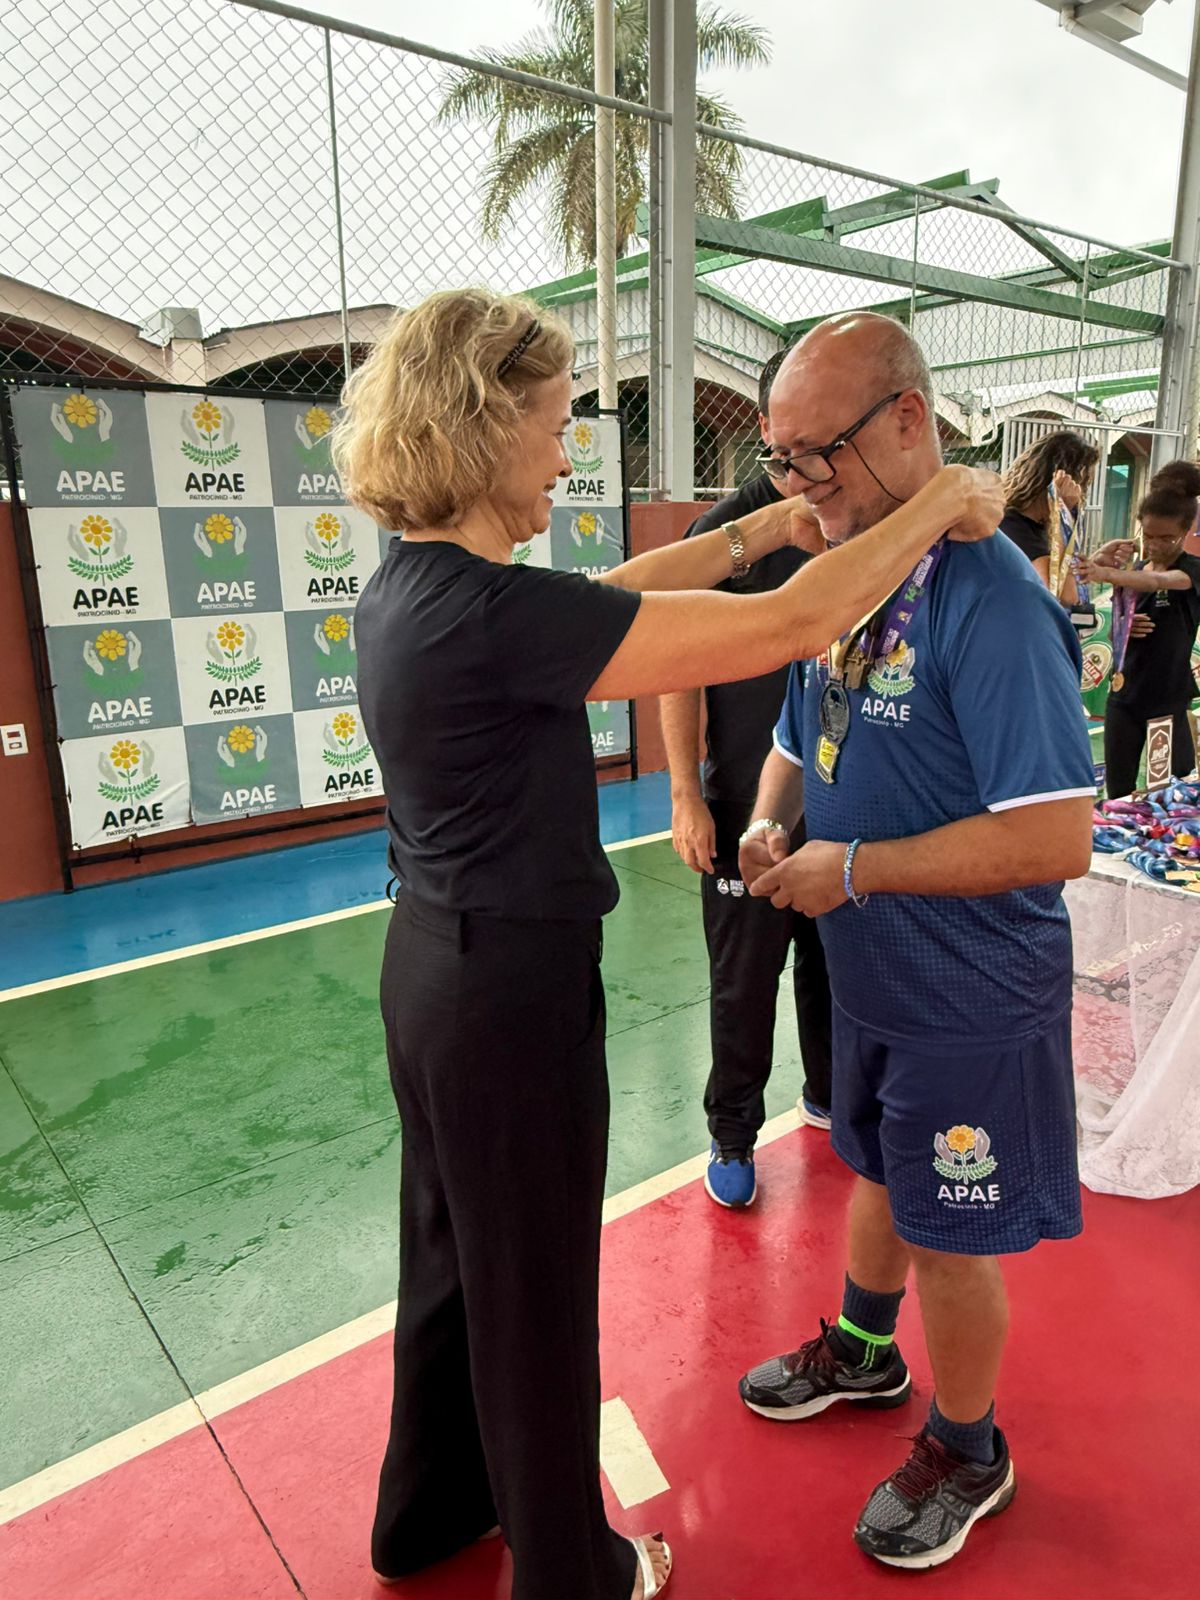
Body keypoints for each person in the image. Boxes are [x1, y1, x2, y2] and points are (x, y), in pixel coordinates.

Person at [333, 286, 1003, 1600]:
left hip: (435, 975)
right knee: (533, 1294)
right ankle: (573, 1572)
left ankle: (427, 1510)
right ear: (482, 427)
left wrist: (757, 528)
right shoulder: (488, 614)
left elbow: (606, 597)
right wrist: (938, 503)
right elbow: (790, 625)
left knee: (455, 1262)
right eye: (551, 423)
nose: (564, 451)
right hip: (508, 998)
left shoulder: (423, 589)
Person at [733, 312, 1095, 1571]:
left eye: (814, 453)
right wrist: (770, 818)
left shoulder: (993, 601)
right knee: (880, 1172)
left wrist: (853, 869)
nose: (798, 484)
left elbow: (1055, 836)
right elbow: (797, 731)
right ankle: (865, 1349)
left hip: (971, 990)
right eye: (779, 458)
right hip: (873, 972)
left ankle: (970, 1445)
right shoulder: (855, 570)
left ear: (906, 421)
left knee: (949, 1226)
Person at [661, 350, 833, 1211]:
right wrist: (686, 796)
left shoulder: (858, 521)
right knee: (744, 982)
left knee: (832, 966)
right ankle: (733, 1133)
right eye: (791, 423)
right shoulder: (722, 535)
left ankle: (831, 1096)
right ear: (765, 426)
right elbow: (676, 668)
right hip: (741, 801)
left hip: (841, 801)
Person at [1077, 461, 1200, 797]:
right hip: (1124, 695)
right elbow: (1111, 623)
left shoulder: (1190, 571)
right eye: (1148, 535)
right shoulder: (1135, 569)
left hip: (1167, 701)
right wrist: (1123, 627)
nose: (1155, 544)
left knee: (1170, 790)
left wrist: (1106, 574)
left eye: (1167, 538)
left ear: (1186, 531)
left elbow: (1159, 580)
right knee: (1118, 790)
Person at [999, 428, 1099, 597]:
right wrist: (1062, 513)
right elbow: (1064, 594)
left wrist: (1097, 562)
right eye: (1081, 484)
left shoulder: (1038, 526)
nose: (1080, 494)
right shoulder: (1012, 526)